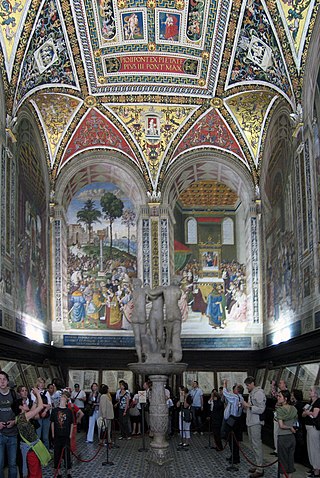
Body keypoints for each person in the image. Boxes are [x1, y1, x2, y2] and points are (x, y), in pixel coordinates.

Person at [14, 387, 45, 478]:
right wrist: (38, 393)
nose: (25, 402)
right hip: (31, 450)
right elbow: (40, 407)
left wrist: (35, 399)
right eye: (23, 403)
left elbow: (32, 410)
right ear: (20, 407)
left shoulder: (20, 417)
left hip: (28, 449)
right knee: (34, 472)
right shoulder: (25, 417)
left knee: (32, 471)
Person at [242, 376, 266, 478]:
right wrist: (245, 407)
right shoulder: (252, 393)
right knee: (252, 445)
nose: (247, 388)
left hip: (256, 422)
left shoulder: (259, 393)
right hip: (250, 421)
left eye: (248, 385)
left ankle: (260, 469)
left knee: (257, 445)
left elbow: (261, 409)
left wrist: (249, 406)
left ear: (252, 383)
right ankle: (256, 465)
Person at [50, 392, 73, 478]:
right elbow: (52, 422)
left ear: (67, 401)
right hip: (57, 435)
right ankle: (58, 472)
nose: (63, 398)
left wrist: (70, 434)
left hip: (66, 436)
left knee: (67, 454)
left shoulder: (69, 411)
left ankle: (68, 472)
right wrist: (52, 433)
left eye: (65, 397)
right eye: (62, 397)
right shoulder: (55, 410)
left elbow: (71, 423)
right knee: (57, 454)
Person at [276, 390, 297, 478]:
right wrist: (292, 428)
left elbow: (281, 425)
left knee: (283, 459)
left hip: (283, 437)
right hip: (292, 437)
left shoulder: (280, 410)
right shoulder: (294, 409)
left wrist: (289, 427)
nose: (278, 398)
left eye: (280, 396)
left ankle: (284, 476)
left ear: (285, 399)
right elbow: (295, 422)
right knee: (290, 458)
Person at [0, 371, 18, 478]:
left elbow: (22, 413)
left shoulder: (14, 394)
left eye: (4, 379)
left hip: (13, 434)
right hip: (0, 434)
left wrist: (14, 422)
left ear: (7, 381)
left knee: (12, 464)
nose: (1, 381)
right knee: (0, 464)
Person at [222, 380, 244, 468]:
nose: (233, 389)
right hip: (237, 419)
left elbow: (225, 393)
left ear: (237, 390)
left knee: (231, 439)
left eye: (235, 388)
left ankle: (235, 458)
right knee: (233, 440)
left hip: (232, 420)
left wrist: (224, 385)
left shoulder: (235, 397)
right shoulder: (240, 398)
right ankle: (234, 456)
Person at [302, 386, 320, 478]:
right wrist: (308, 413)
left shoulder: (318, 402)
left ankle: (317, 470)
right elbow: (303, 414)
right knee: (310, 448)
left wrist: (308, 413)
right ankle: (313, 467)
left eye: (311, 390)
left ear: (316, 393)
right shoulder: (310, 402)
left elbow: (315, 414)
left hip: (314, 428)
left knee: (315, 449)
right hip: (308, 428)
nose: (309, 392)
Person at [30, 378, 51, 451]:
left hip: (46, 416)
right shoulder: (33, 392)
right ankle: (38, 453)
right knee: (38, 435)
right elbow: (35, 403)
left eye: (43, 383)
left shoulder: (46, 393)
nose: (42, 384)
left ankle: (47, 452)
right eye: (40, 383)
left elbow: (49, 404)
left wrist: (45, 410)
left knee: (45, 437)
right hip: (37, 415)